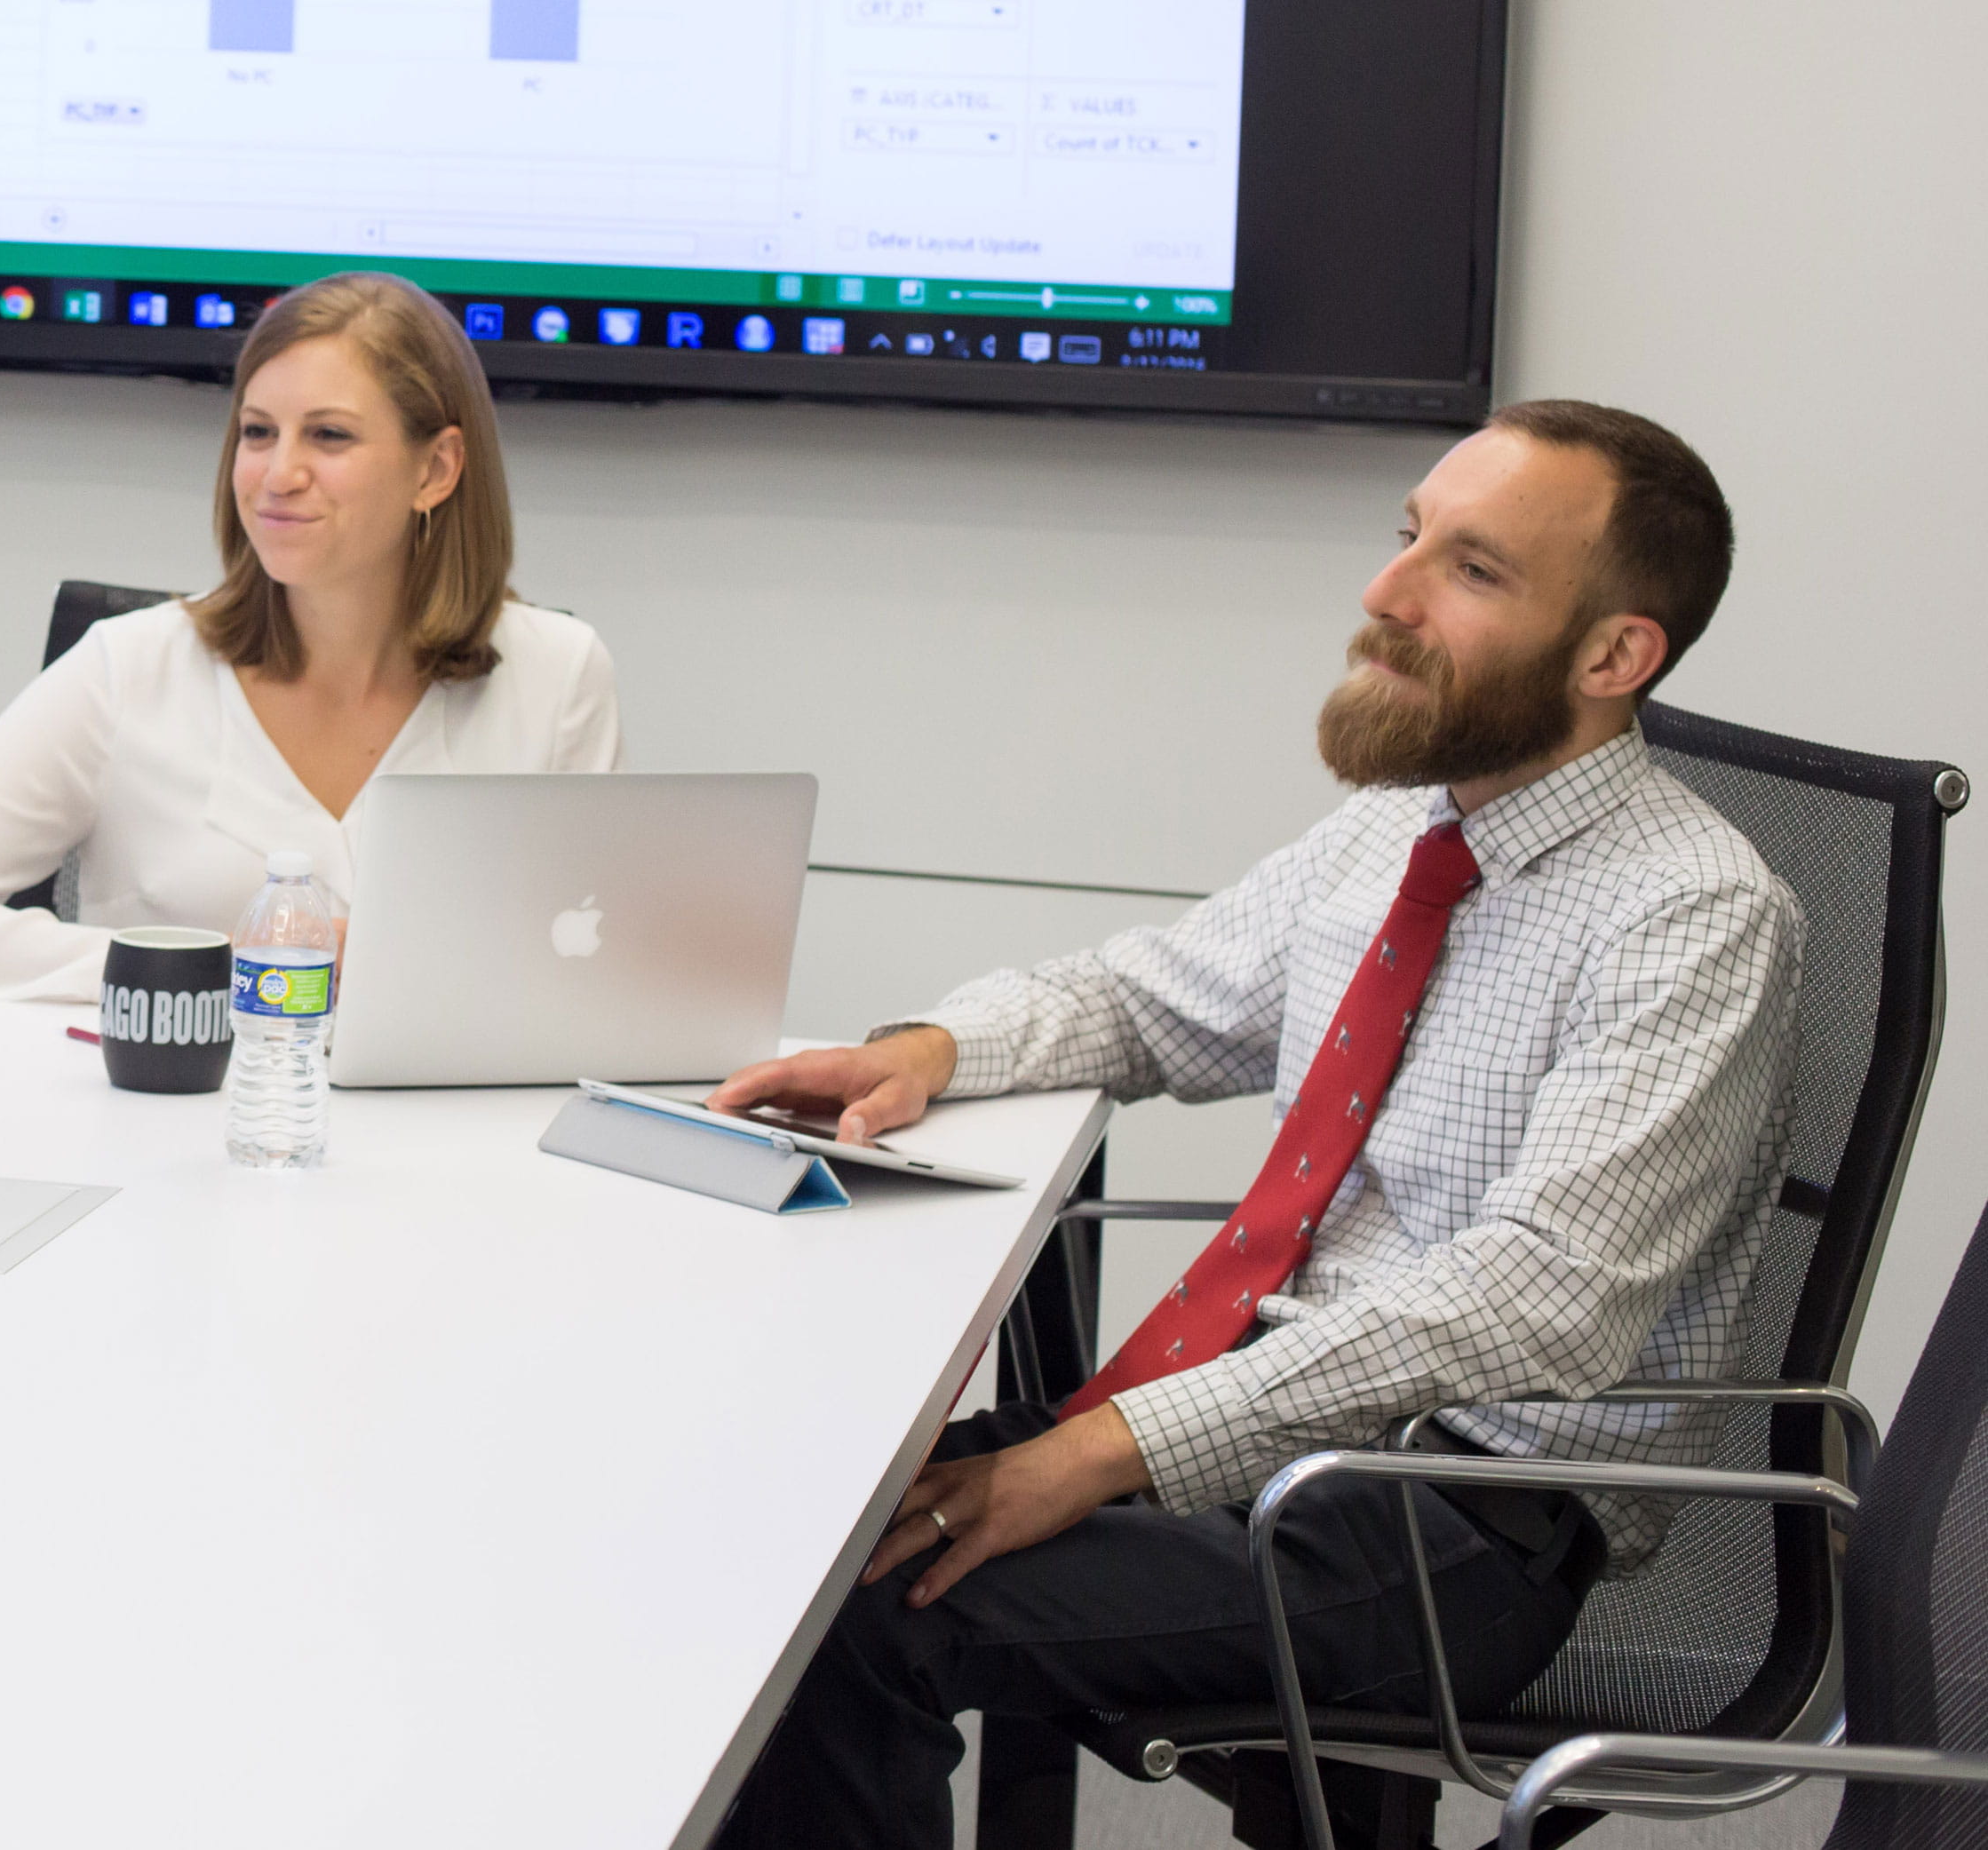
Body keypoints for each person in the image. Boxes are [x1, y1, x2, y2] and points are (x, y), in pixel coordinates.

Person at [700, 401, 1796, 1850]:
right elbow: (1155, 999)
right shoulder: (1409, 824)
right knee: (794, 1517)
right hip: (1273, 1418)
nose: (1385, 593)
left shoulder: (1694, 917)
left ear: (1613, 656)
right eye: (1407, 536)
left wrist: (1094, 1455)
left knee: (858, 1617)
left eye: (1469, 570)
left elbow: (1540, 1302)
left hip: (1457, 1517)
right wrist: (923, 1048)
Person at [0, 270, 623, 1002]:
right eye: (259, 431)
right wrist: (193, 969)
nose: (277, 473)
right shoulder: (130, 666)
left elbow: (596, 973)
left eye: (329, 436)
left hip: (455, 1150)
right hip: (169, 1136)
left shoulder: (557, 675)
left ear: (436, 470)